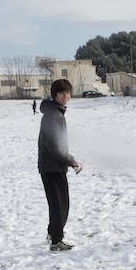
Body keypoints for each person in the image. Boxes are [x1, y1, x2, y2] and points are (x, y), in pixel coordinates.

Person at [38, 78, 82, 252]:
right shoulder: (53, 115)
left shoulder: (55, 112)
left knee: (57, 204)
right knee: (60, 206)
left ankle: (52, 234)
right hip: (52, 167)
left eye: (68, 93)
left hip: (53, 166)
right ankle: (56, 241)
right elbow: (54, 146)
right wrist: (71, 160)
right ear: (55, 95)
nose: (66, 96)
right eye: (62, 93)